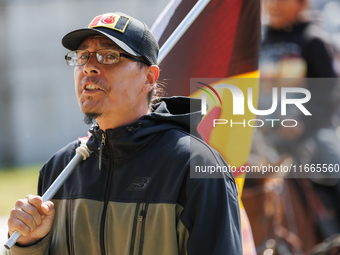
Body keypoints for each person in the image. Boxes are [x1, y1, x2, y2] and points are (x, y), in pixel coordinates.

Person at [7, 12, 242, 255]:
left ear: (149, 78)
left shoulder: (195, 167)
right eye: (83, 56)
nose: (89, 67)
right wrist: (28, 244)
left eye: (109, 56)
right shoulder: (59, 170)